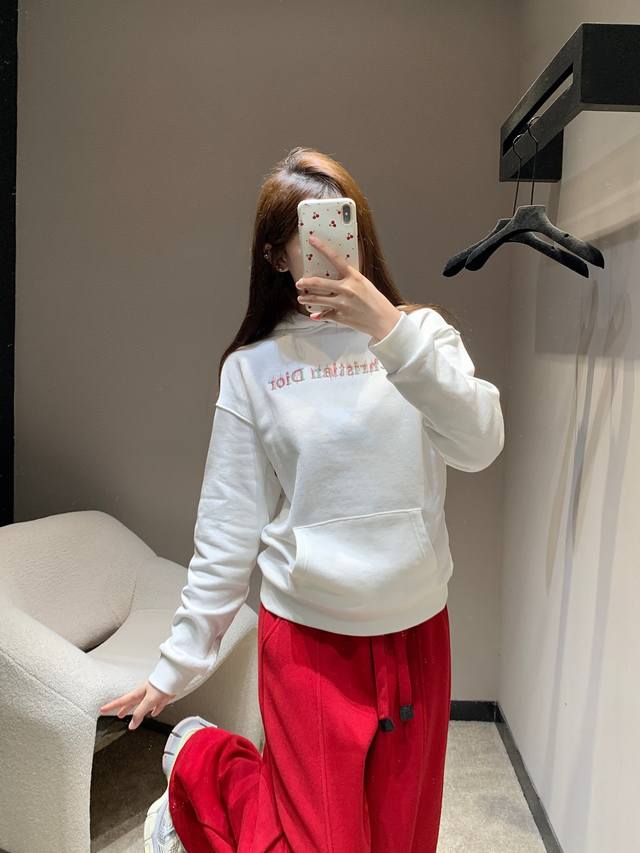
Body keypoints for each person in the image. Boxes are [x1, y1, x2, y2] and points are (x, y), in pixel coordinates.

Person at [100, 146, 505, 852]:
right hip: (309, 643)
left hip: (415, 631)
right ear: (276, 255)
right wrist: (176, 669)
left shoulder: (420, 338)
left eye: (344, 226)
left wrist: (389, 331)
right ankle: (203, 765)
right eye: (310, 233)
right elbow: (227, 531)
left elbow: (479, 444)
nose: (332, 247)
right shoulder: (253, 370)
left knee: (403, 843)